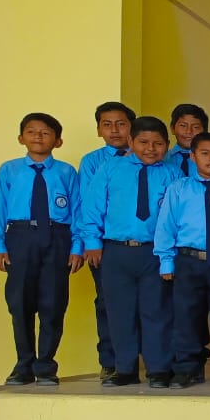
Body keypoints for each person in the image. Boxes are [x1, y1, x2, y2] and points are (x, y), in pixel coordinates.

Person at [80, 115, 174, 387]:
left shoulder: (171, 174)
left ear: (167, 145)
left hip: (155, 253)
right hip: (116, 251)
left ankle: (158, 369)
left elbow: (177, 215)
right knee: (119, 312)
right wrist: (92, 243)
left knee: (156, 311)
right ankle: (125, 369)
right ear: (131, 142)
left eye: (158, 143)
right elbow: (93, 207)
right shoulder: (111, 169)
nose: (150, 149)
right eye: (143, 142)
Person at [0, 113, 84, 386]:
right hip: (20, 237)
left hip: (58, 237)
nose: (38, 136)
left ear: (58, 141)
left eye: (45, 133)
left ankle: (45, 366)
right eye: (31, 131)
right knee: (19, 303)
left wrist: (77, 247)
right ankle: (23, 365)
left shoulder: (66, 172)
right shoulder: (9, 170)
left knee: (53, 303)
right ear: (21, 138)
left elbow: (78, 211)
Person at [153, 132, 210, 387]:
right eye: (205, 153)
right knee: (186, 316)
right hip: (188, 260)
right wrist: (166, 261)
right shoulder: (178, 189)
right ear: (193, 157)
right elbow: (166, 225)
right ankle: (187, 369)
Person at [79, 101, 135, 382]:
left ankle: (146, 360)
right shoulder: (92, 162)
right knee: (108, 303)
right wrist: (91, 243)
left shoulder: (150, 157)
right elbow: (87, 204)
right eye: (107, 124)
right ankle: (110, 360)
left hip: (144, 246)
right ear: (99, 129)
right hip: (105, 245)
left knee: (150, 304)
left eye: (121, 124)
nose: (114, 130)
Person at [168, 104, 208, 178]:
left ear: (204, 131)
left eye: (195, 127)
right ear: (172, 128)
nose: (189, 131)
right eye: (183, 125)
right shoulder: (162, 159)